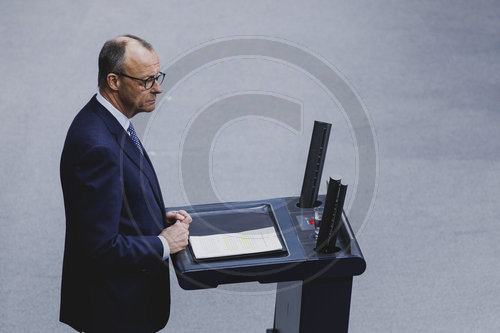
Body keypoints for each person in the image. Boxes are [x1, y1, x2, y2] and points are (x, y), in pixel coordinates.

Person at [59, 34, 192, 332]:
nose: (157, 87)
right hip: (114, 315)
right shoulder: (97, 148)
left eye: (156, 76)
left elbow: (112, 202)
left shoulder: (108, 121)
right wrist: (163, 243)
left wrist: (157, 218)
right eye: (146, 81)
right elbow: (99, 247)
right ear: (114, 81)